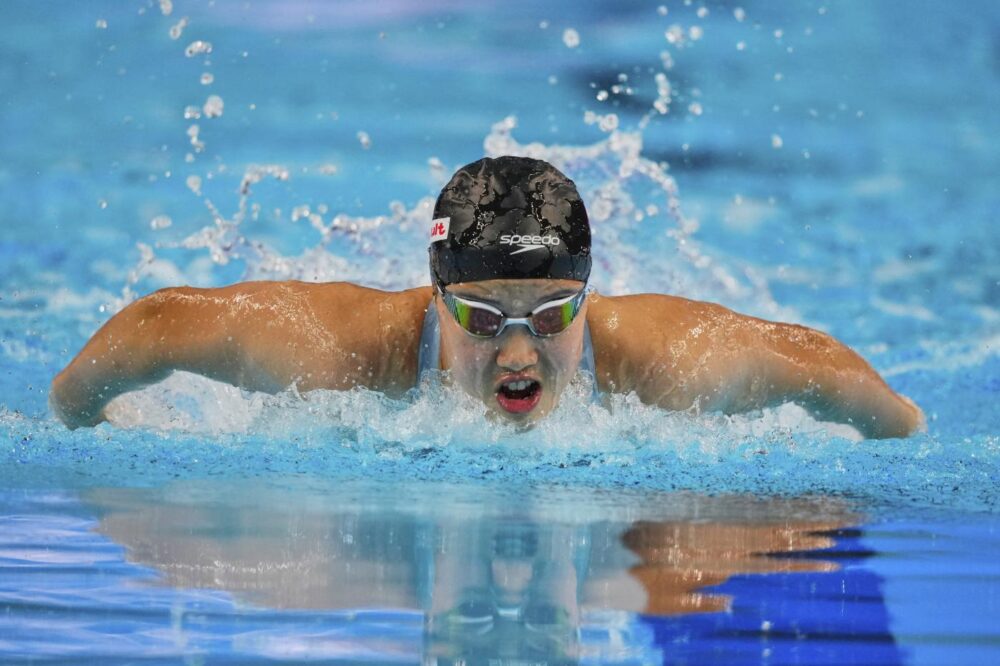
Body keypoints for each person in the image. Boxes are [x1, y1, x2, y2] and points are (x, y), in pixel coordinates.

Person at [50, 156, 924, 438]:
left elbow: (825, 367)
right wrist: (79, 420)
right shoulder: (335, 355)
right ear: (435, 298)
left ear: (588, 298)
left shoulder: (672, 365)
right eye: (479, 315)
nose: (516, 352)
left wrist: (903, 433)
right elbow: (156, 325)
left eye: (550, 316)